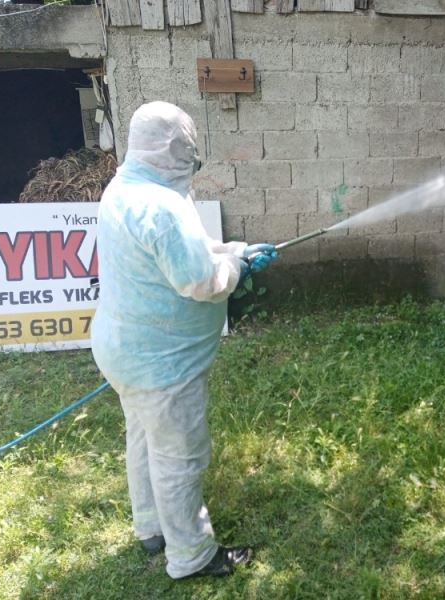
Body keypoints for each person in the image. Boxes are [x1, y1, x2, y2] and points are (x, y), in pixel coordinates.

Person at [90, 101, 276, 579]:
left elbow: (184, 251)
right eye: (191, 156)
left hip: (124, 351)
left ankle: (151, 528)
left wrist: (230, 250)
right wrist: (234, 266)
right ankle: (190, 556)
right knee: (179, 457)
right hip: (162, 365)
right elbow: (200, 280)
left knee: (145, 439)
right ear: (176, 150)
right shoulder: (162, 206)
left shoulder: (127, 187)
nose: (193, 167)